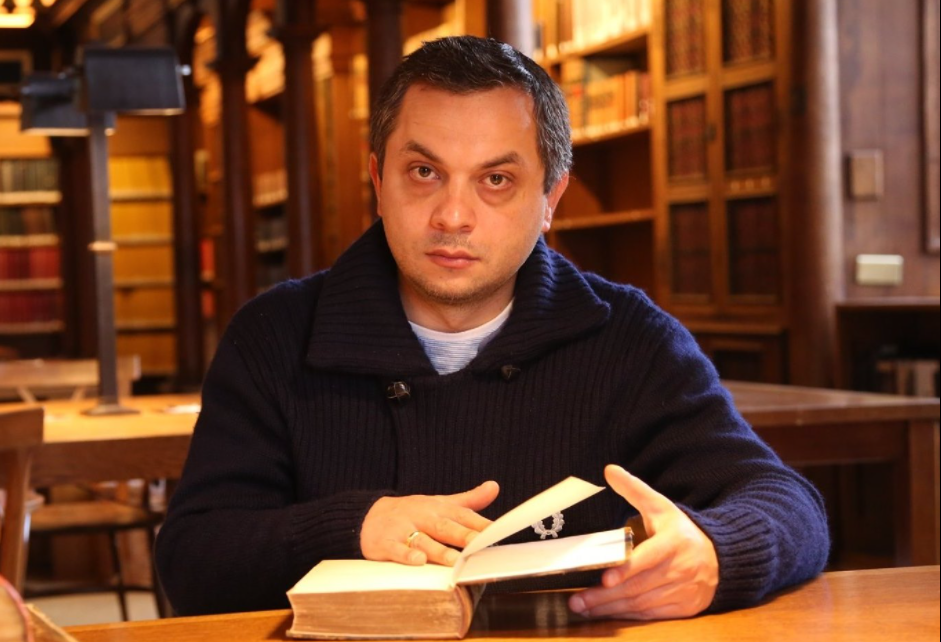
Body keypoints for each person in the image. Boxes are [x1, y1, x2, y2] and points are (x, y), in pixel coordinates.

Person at [155, 35, 828, 619]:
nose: (453, 216)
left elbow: (785, 502)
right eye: (424, 172)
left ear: (550, 197)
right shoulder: (273, 336)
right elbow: (191, 560)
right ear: (378, 180)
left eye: (496, 180)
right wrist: (351, 525)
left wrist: (716, 552)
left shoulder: (627, 337)